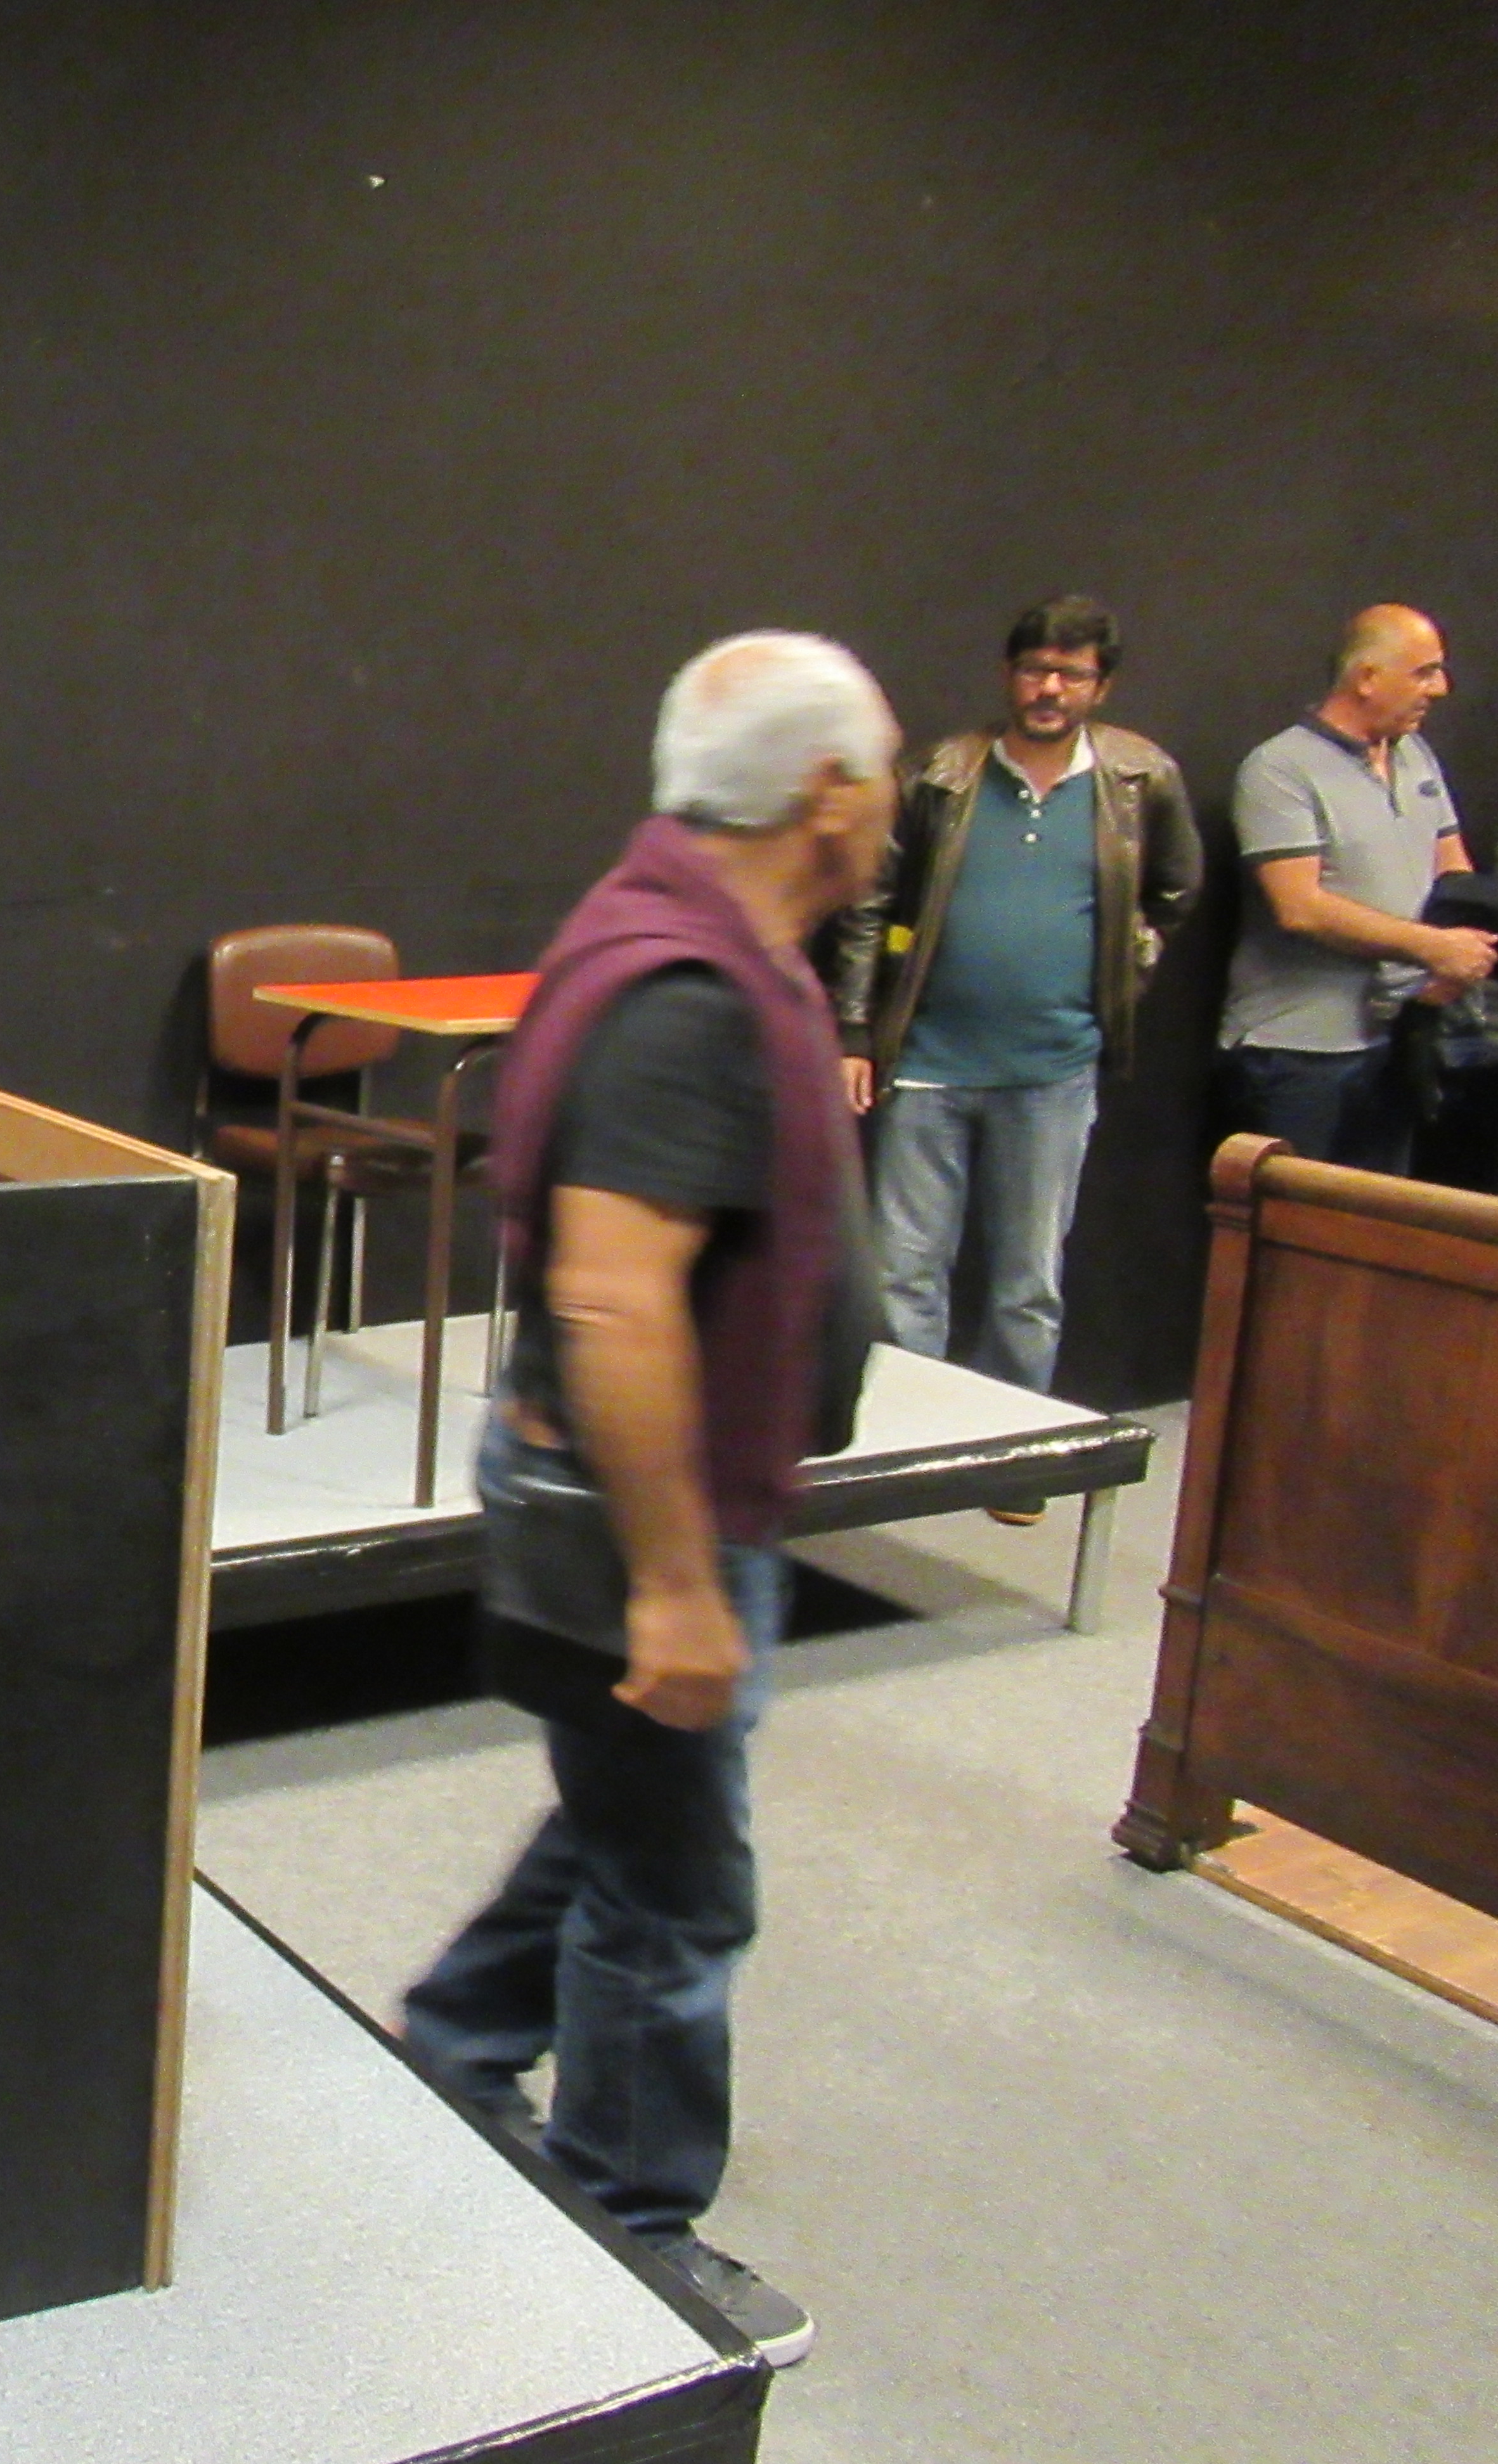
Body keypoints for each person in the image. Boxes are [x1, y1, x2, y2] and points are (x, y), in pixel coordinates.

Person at [398, 633, 894, 2371]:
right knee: (677, 1895)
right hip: (637, 1521)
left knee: (631, 1814)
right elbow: (612, 1300)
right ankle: (622, 2230)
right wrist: (676, 1585)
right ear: (826, 792)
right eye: (884, 770)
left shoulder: (706, 941)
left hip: (654, 1505)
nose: (894, 804)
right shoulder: (684, 992)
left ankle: (456, 2044)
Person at [831, 598, 1199, 1517]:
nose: (1050, 688)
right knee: (904, 1276)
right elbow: (871, 903)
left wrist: (1131, 961)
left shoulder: (1140, 778)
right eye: (1036, 668)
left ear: (1100, 688)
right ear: (1010, 675)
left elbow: (1174, 890)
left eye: (1071, 674)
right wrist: (855, 1032)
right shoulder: (940, 776)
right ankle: (907, 1459)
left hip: (1055, 1072)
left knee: (1026, 1285)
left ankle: (1016, 1464)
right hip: (927, 1065)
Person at [1216, 606, 1494, 1173]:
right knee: (1288, 1221)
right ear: (1367, 678)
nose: (1440, 689)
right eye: (1424, 672)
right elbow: (1300, 908)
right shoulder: (1279, 769)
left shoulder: (1416, 756)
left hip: (1397, 1043)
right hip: (1298, 1053)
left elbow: (1452, 873)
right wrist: (1433, 947)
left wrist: (1460, 957)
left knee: (1373, 1218)